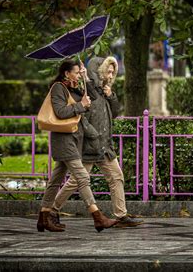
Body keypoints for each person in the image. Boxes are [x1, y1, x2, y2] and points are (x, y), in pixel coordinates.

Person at [52, 56, 144, 228]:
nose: (110, 75)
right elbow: (81, 118)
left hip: (105, 147)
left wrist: (112, 96)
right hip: (90, 145)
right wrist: (92, 134)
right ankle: (53, 209)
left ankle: (121, 215)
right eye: (107, 71)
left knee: (116, 176)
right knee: (76, 181)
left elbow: (115, 114)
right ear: (99, 71)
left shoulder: (104, 91)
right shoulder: (87, 89)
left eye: (112, 71)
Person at [37, 59, 118, 233]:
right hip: (63, 140)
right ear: (66, 73)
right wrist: (80, 105)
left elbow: (94, 97)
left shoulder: (75, 88)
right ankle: (98, 217)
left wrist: (86, 76)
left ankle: (44, 217)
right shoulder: (59, 88)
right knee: (82, 177)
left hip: (74, 139)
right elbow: (60, 112)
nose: (77, 74)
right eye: (75, 72)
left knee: (56, 180)